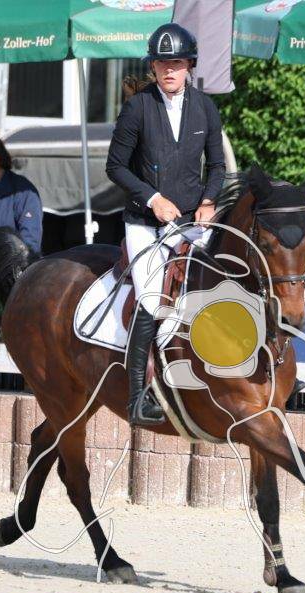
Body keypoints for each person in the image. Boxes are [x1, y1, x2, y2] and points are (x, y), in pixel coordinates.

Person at [106, 22, 225, 426]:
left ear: (189, 65)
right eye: (162, 63)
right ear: (153, 67)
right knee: (151, 298)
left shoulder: (205, 107)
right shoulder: (138, 108)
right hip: (145, 223)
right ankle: (138, 397)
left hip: (192, 221)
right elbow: (116, 167)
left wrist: (209, 201)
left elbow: (217, 165)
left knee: (223, 282)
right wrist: (153, 199)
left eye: (176, 63)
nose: (169, 70)